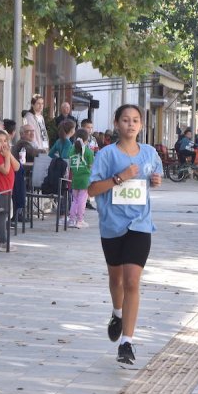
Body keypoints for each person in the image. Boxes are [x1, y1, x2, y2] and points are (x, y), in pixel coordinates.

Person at [87, 104, 163, 365]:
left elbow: (156, 174)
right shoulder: (107, 155)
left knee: (132, 281)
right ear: (117, 123)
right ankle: (117, 313)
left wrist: (155, 181)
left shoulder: (150, 153)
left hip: (140, 225)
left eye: (135, 121)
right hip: (112, 225)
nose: (131, 125)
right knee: (116, 279)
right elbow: (92, 190)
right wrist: (119, 178)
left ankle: (126, 342)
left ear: (141, 125)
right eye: (126, 120)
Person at [67, 130, 95, 229]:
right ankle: (80, 220)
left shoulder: (71, 150)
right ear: (87, 140)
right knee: (82, 201)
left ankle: (71, 220)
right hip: (85, 180)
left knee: (74, 200)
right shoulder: (88, 152)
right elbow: (91, 166)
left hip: (75, 178)